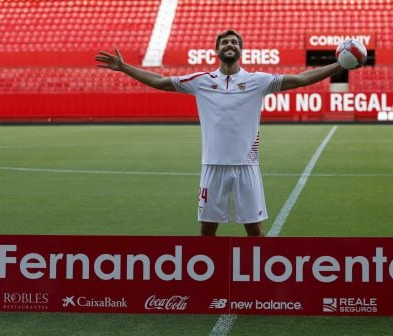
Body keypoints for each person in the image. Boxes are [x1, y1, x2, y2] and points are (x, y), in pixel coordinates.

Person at [95, 29, 351, 237]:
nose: (230, 45)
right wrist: (125, 67)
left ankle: (257, 279)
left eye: (234, 42)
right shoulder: (200, 80)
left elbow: (302, 79)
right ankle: (208, 281)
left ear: (241, 50)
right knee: (207, 230)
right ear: (216, 51)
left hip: (246, 166)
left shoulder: (258, 81)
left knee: (254, 230)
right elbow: (160, 81)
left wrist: (338, 66)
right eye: (225, 42)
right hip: (212, 166)